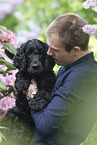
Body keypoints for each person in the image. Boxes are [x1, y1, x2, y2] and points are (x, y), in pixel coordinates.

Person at [26, 13, 97, 145]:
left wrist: (32, 92)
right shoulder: (70, 66)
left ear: (75, 50)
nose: (49, 53)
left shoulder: (82, 76)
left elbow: (45, 124)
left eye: (55, 50)